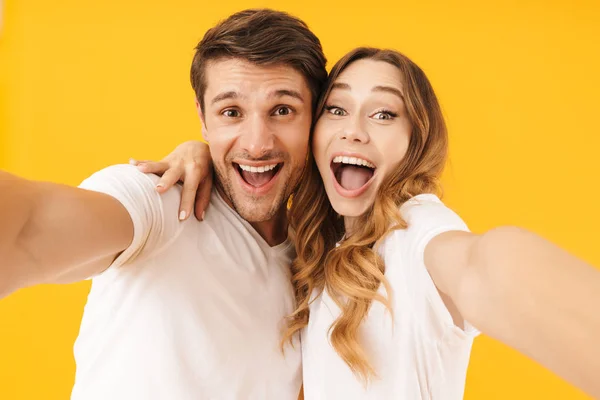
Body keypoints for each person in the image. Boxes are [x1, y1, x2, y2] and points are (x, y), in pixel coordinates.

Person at [149, 48, 600, 399]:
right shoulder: (323, 253)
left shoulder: (415, 234)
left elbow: (485, 265)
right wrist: (202, 150)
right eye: (337, 110)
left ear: (414, 139)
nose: (354, 130)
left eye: (384, 114)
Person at [0, 9, 327, 399]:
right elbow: (29, 227)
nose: (257, 144)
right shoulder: (162, 201)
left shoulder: (315, 258)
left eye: (283, 110)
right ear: (203, 120)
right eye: (231, 113)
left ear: (316, 120)